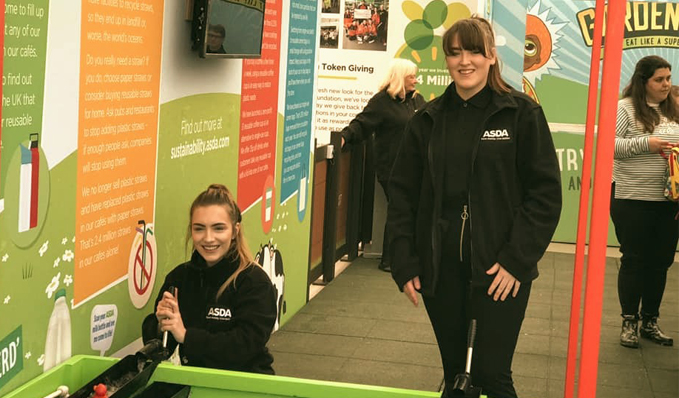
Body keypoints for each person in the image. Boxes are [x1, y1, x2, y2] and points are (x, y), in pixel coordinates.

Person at [386, 16, 561, 398]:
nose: (465, 61)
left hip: (501, 270)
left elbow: (545, 196)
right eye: (455, 53)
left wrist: (517, 260)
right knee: (455, 377)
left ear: (492, 56)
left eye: (474, 51)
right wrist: (403, 260)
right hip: (441, 271)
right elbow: (402, 196)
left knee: (491, 373)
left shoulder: (520, 114)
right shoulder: (427, 121)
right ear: (446, 60)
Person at [141, 184, 277, 374]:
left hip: (247, 383)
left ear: (235, 231)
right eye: (199, 229)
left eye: (218, 228)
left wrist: (187, 336)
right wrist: (161, 324)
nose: (208, 238)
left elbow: (245, 345)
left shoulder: (254, 282)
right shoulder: (179, 278)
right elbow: (163, 347)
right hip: (196, 381)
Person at [611, 55, 679, 349]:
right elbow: (609, 147)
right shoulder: (625, 108)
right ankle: (629, 322)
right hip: (632, 198)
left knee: (661, 262)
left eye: (668, 78)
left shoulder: (674, 108)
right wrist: (647, 144)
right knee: (635, 260)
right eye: (659, 80)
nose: (666, 85)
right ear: (643, 82)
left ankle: (650, 320)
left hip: (669, 201)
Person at [340, 58, 426, 272]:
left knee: (409, 209)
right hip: (392, 168)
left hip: (416, 168)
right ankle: (390, 259)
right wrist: (343, 137)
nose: (416, 80)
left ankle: (403, 257)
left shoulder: (417, 100)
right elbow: (362, 123)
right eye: (411, 77)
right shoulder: (381, 101)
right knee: (399, 209)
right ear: (400, 78)